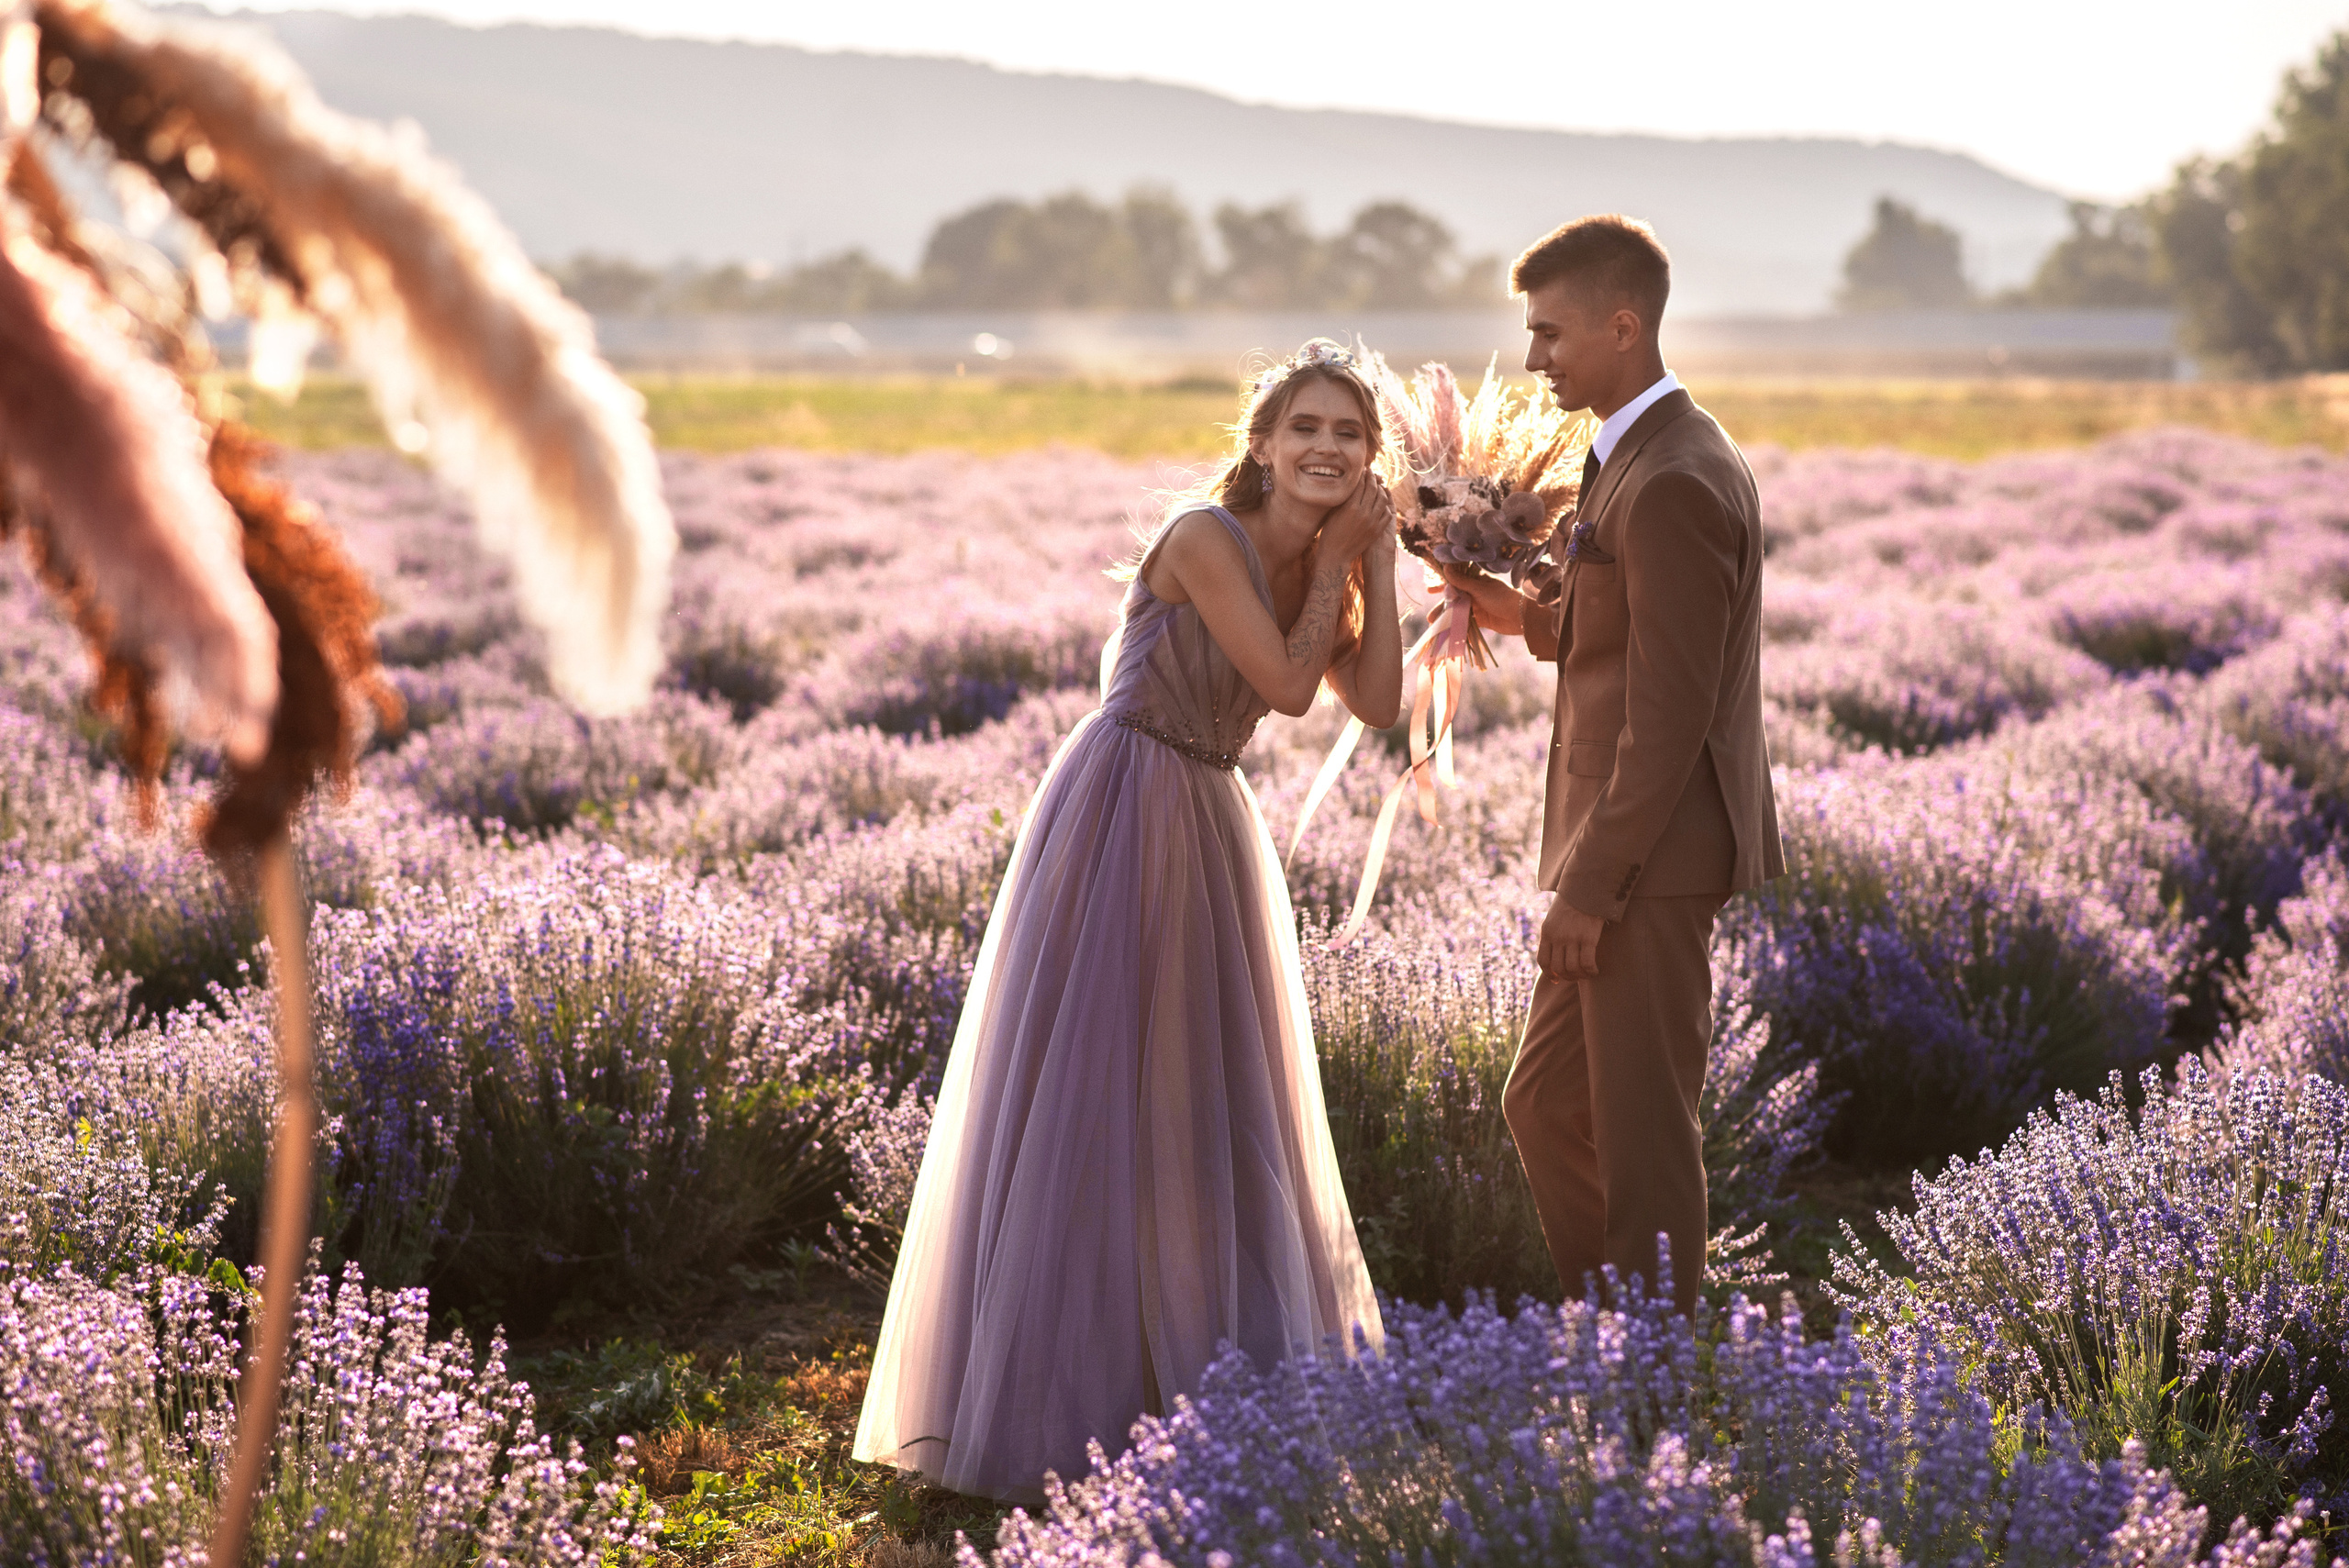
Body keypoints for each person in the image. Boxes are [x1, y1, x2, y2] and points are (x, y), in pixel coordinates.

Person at [853, 339, 1399, 1504]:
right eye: (1304, 426)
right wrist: (1344, 557)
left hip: (1207, 811)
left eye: (1349, 434)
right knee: (1103, 1086)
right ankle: (1057, 1397)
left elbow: (1384, 701)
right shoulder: (1206, 535)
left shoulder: (1334, 549)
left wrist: (1379, 564)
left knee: (1199, 1093)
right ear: (1260, 441)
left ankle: (1177, 1378)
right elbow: (1294, 686)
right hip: (1127, 796)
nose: (1325, 448)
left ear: (1371, 457)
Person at [1442, 216, 1785, 1318]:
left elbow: (1670, 712)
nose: (1534, 359)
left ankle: (1654, 1373)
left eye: (1549, 335)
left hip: (1648, 859)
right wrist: (1527, 614)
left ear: (1622, 326)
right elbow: (1621, 626)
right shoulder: (1635, 451)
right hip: (1623, 848)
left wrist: (1591, 888)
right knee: (1544, 1103)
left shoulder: (1676, 474)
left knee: (1641, 1132)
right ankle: (1619, 1327)